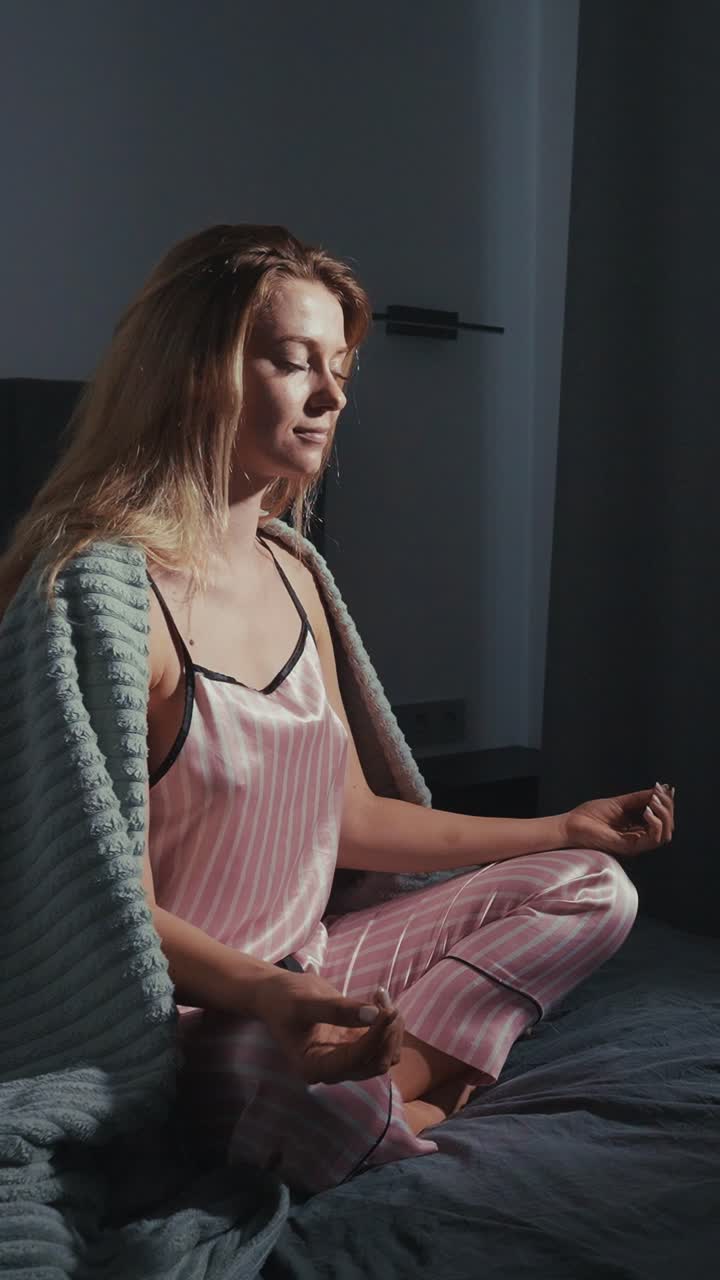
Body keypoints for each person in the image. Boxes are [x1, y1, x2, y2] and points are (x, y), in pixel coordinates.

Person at [0, 223, 675, 1197]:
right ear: (193, 370)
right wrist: (272, 996)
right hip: (189, 1010)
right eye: (293, 362)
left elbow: (349, 818)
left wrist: (560, 828)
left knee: (592, 886)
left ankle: (394, 1092)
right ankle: (415, 1098)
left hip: (310, 961)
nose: (333, 395)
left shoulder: (297, 571)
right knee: (302, 1088)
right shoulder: (99, 595)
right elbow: (102, 909)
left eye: (341, 368)